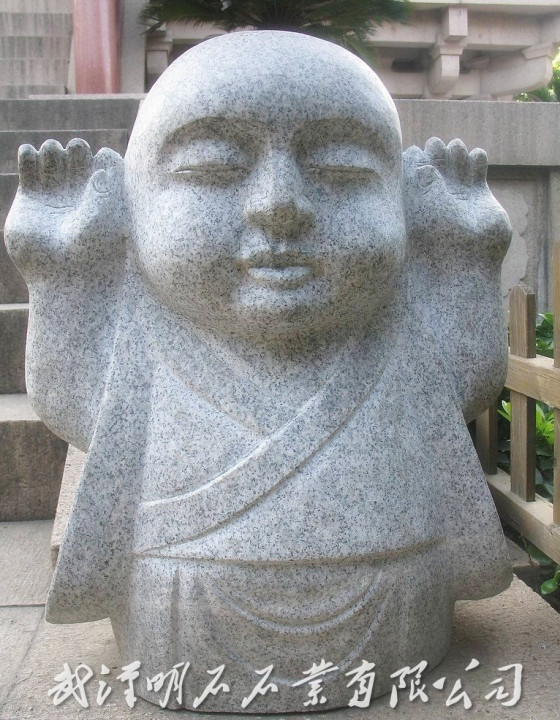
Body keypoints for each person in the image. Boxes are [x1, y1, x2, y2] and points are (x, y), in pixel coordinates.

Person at [5, 31, 512, 712]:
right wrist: (62, 278)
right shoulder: (144, 344)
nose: (280, 205)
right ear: (133, 206)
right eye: (213, 168)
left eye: (341, 169)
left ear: (401, 202)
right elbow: (72, 402)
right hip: (181, 609)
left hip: (397, 596)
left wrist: (465, 261)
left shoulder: (397, 332)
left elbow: (470, 380)